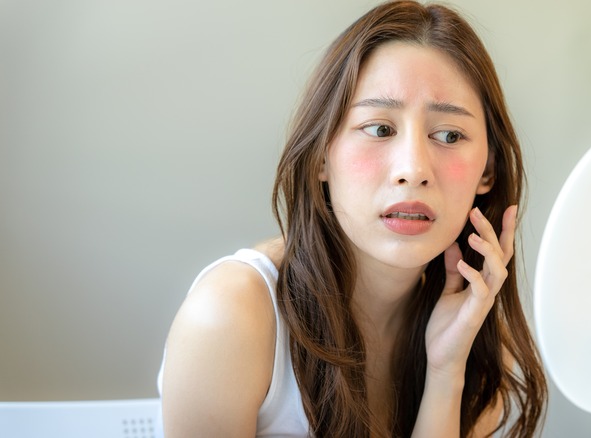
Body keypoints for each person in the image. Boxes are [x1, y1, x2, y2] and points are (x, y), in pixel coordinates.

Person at [158, 1, 547, 436]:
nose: (413, 169)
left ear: (488, 171)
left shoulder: (476, 338)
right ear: (322, 156)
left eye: (450, 135)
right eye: (380, 129)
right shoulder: (232, 315)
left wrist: (445, 371)